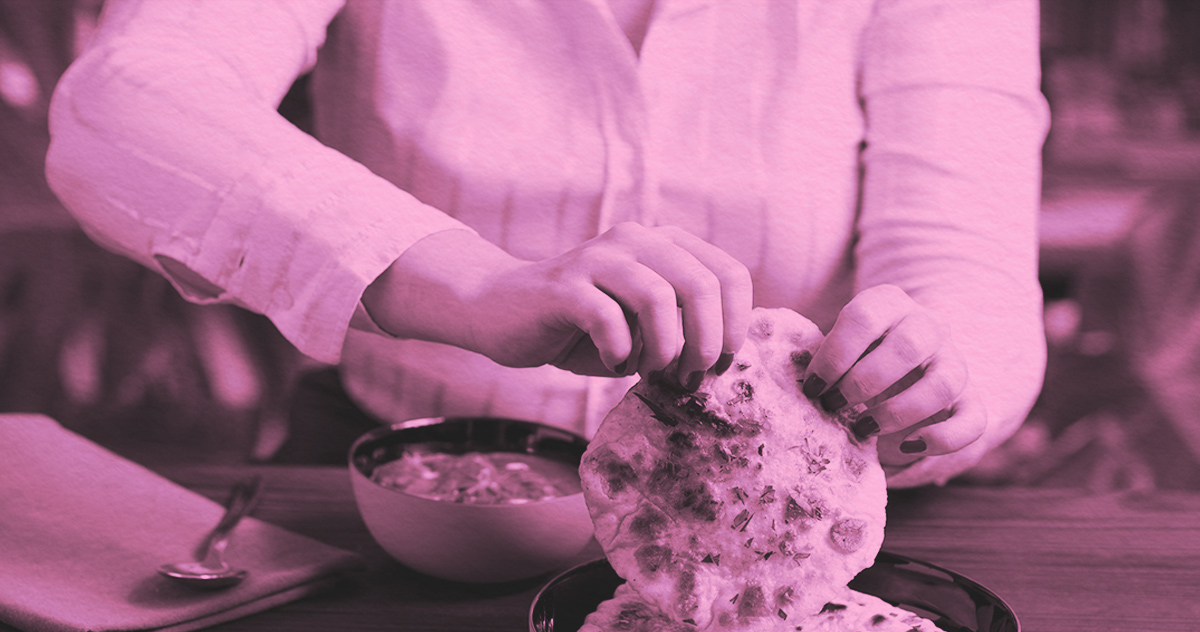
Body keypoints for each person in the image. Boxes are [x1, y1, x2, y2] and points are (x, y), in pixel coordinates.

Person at [45, 0, 1049, 488]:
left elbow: (972, 268)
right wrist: (471, 281)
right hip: (403, 486)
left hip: (793, 510)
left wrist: (938, 368)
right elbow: (123, 106)